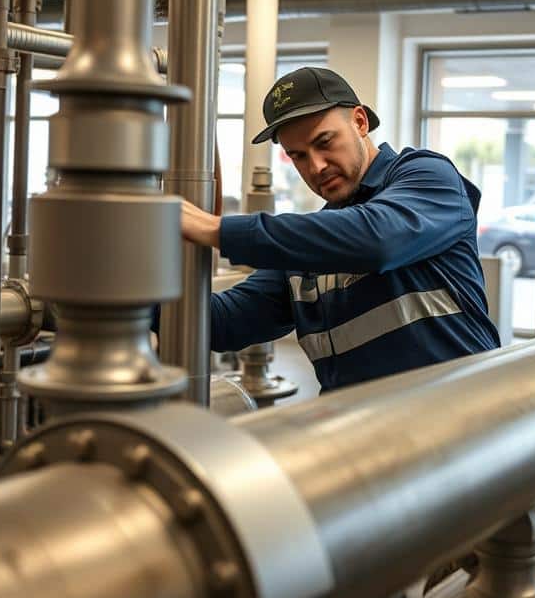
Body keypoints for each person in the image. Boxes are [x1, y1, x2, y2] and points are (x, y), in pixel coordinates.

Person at [176, 66, 501, 391]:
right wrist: (149, 295)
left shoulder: (428, 177)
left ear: (360, 122)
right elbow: (226, 323)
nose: (316, 166)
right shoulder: (311, 247)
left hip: (457, 416)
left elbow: (378, 240)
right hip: (360, 421)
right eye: (298, 156)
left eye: (325, 142)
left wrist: (215, 229)